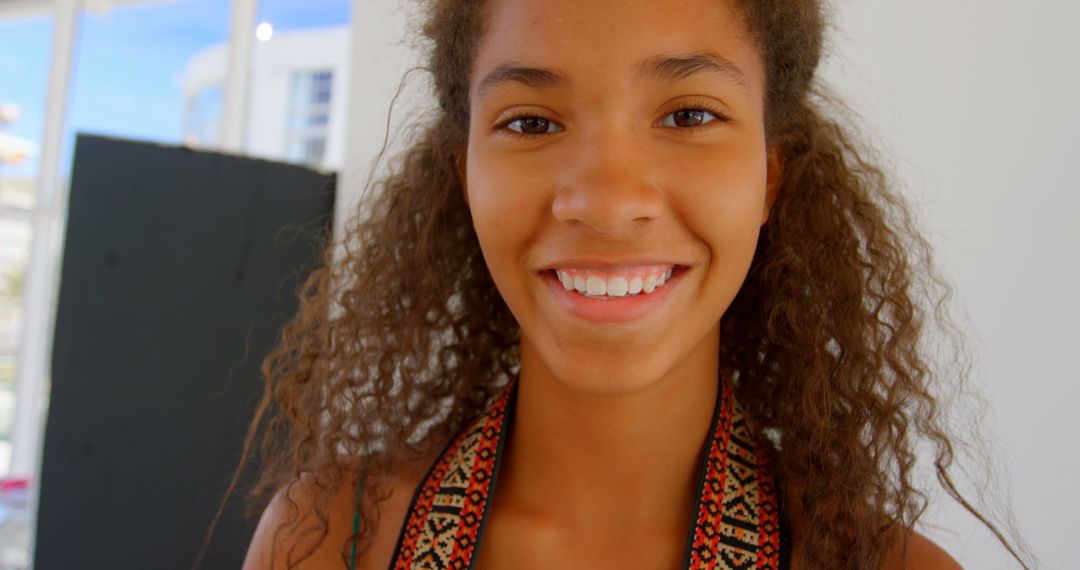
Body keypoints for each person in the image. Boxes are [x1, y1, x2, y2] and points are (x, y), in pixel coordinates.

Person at [233, 0, 1030, 568]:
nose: (607, 203)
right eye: (531, 122)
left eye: (688, 115)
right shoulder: (330, 538)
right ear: (465, 177)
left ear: (770, 178)